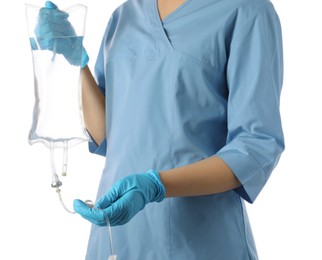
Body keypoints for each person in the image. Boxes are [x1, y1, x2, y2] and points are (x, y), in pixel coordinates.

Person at [37, 0, 284, 259]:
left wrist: (157, 185)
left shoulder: (246, 10)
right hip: (118, 236)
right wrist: (76, 60)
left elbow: (255, 146)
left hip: (199, 242)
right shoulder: (124, 16)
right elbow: (111, 135)